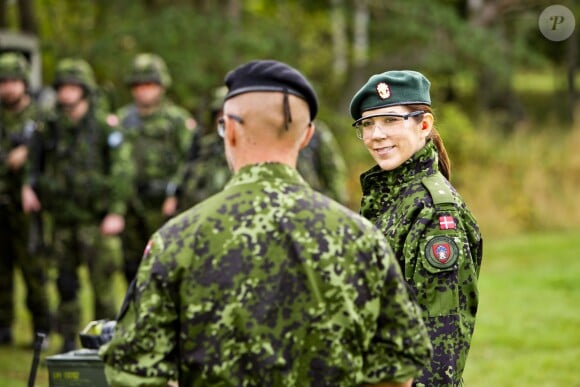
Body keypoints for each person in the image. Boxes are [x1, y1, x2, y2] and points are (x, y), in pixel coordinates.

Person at [100, 59, 432, 386]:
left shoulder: (175, 241)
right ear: (306, 137)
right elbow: (398, 366)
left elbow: (133, 372)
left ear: (228, 130)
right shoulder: (362, 239)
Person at [349, 70, 483, 386]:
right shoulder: (389, 198)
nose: (375, 135)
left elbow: (442, 342)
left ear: (423, 125)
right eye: (367, 124)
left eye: (391, 120)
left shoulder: (434, 211)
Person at [22, 58, 128, 353]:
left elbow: (121, 170)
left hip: (95, 219)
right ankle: (68, 342)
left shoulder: (104, 126)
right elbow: (35, 162)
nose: (66, 94)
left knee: (103, 286)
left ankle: (106, 345)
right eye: (62, 88)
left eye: (72, 87)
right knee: (65, 284)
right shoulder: (50, 127)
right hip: (62, 219)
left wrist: (116, 211)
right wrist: (29, 188)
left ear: (84, 90)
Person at [100, 53, 196, 284]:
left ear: (161, 86)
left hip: (164, 206)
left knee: (166, 267)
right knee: (131, 268)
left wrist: (176, 194)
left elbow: (190, 161)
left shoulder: (177, 120)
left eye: (150, 85)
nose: (144, 91)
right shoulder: (122, 120)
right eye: (139, 85)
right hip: (132, 204)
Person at [0, 51, 51, 348]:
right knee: (1, 270)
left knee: (34, 271)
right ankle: (3, 325)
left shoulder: (40, 117)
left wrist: (29, 153)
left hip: (29, 207)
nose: (7, 87)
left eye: (13, 81)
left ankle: (41, 330)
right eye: (3, 81)